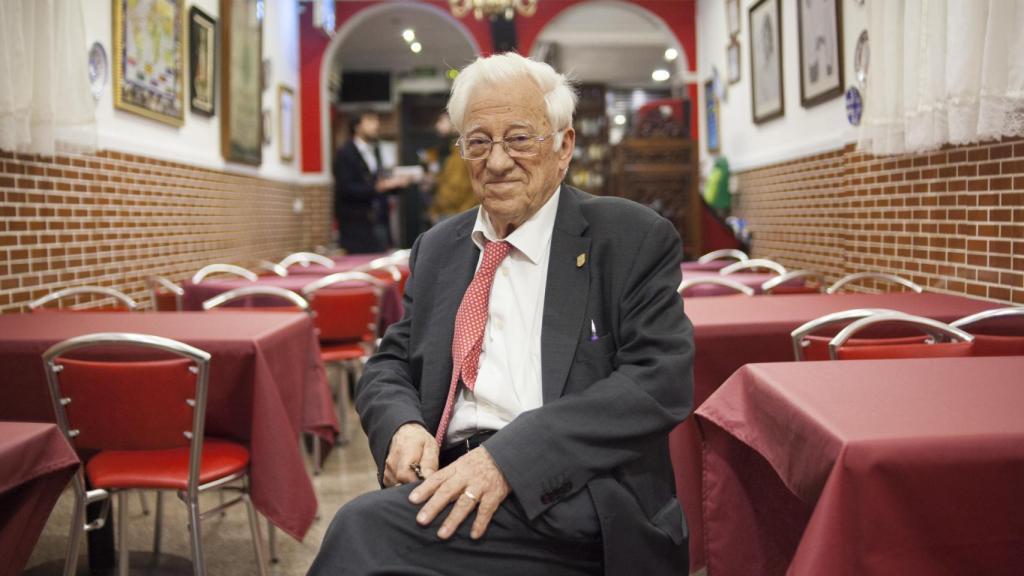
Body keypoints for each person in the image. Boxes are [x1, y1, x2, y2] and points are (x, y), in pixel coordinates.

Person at [309, 52, 694, 576]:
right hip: (455, 471)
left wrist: (510, 459)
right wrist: (401, 426)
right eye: (479, 141)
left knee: (362, 532)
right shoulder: (439, 247)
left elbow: (658, 382)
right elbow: (390, 362)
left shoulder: (628, 238)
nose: (496, 161)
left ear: (564, 147)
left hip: (580, 491)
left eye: (518, 138)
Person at [333, 111, 408, 253]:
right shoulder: (345, 153)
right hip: (356, 226)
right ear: (357, 126)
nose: (376, 125)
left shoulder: (376, 151)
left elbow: (378, 182)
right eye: (370, 121)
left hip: (379, 222)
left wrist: (396, 185)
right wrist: (377, 187)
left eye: (376, 121)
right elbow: (345, 188)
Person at [428, 112, 477, 223]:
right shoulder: (451, 152)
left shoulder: (465, 153)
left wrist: (462, 218)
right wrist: (434, 211)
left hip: (457, 216)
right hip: (448, 215)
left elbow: (468, 190)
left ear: (455, 125)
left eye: (442, 121)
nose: (437, 126)